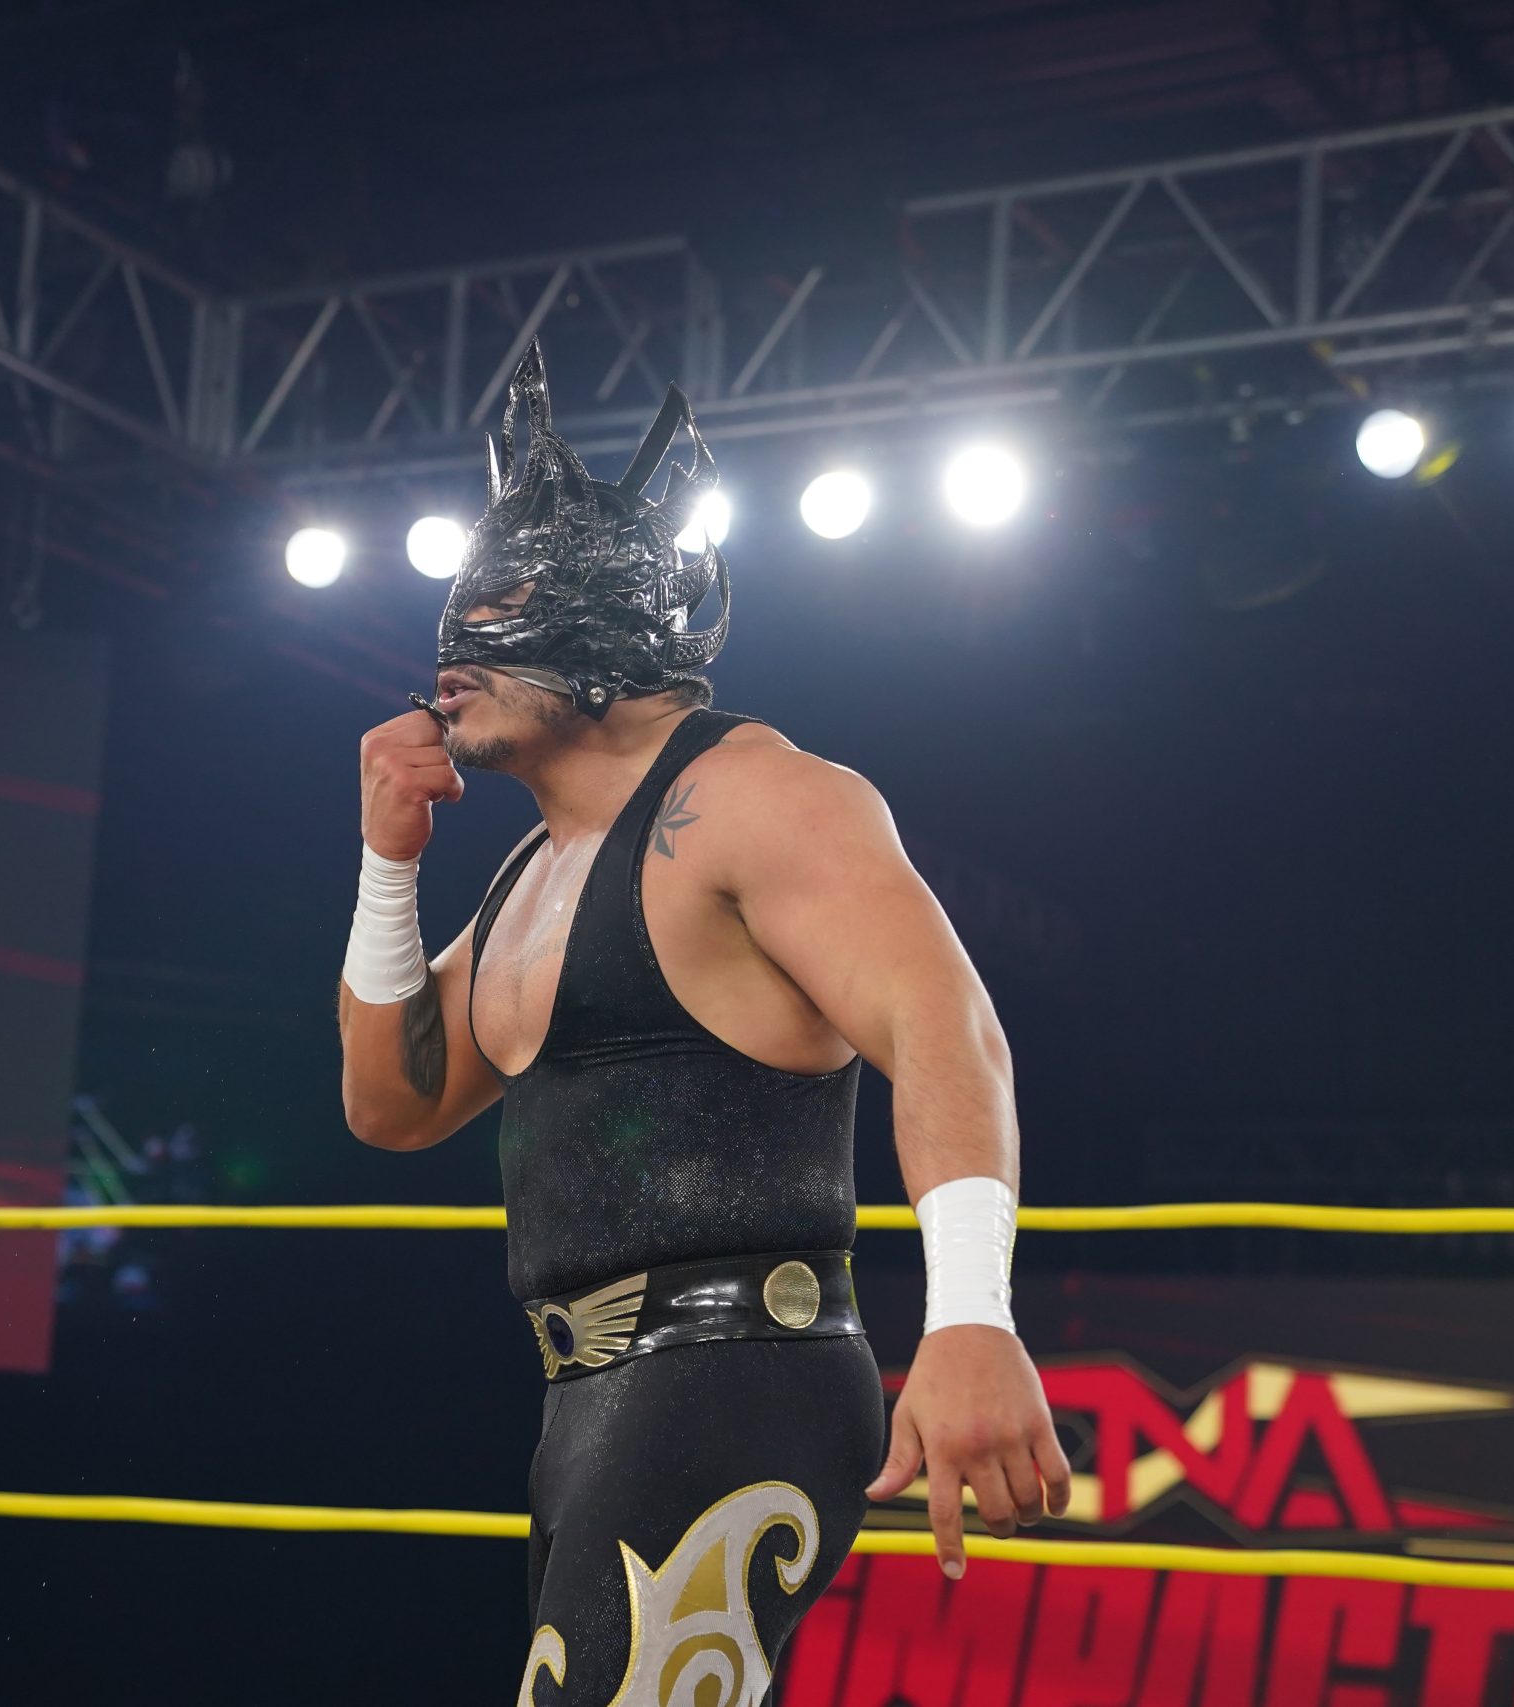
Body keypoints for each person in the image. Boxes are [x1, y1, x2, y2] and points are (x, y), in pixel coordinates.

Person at [335, 343, 1070, 1706]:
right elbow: (392, 1104)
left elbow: (946, 1026)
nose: (449, 651)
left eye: (499, 608)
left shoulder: (758, 800)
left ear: (604, 636)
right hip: (589, 1396)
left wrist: (972, 1317)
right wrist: (390, 862)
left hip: (734, 1374)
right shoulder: (533, 872)